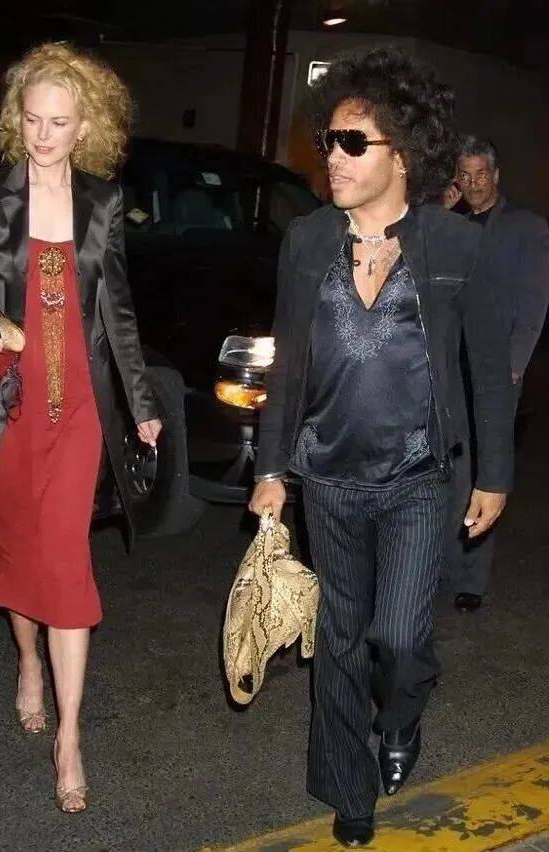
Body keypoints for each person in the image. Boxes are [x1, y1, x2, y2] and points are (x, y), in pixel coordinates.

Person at [249, 48, 513, 847]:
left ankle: (401, 716)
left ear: (404, 152)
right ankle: (349, 792)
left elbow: (488, 371)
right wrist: (272, 467)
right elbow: (287, 364)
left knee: (398, 638)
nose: (332, 157)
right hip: (328, 475)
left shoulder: (455, 246)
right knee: (338, 639)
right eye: (328, 140)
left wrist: (494, 476)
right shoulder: (307, 240)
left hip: (418, 477)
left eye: (352, 142)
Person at [0, 43, 162, 813]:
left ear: (85, 127)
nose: (43, 135)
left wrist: (141, 402)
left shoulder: (102, 204)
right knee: (15, 547)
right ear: (19, 119)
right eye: (33, 119)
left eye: (59, 122)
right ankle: (29, 659)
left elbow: (119, 312)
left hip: (78, 410)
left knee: (66, 559)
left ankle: (70, 735)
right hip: (8, 404)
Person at [443, 135, 549, 612]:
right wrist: (441, 214)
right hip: (452, 370)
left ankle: (472, 578)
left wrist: (512, 370)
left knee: (488, 473)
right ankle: (441, 564)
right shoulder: (450, 224)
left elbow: (533, 306)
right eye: (464, 176)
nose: (473, 184)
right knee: (451, 473)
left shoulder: (527, 227)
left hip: (497, 374)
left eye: (480, 175)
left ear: (496, 175)